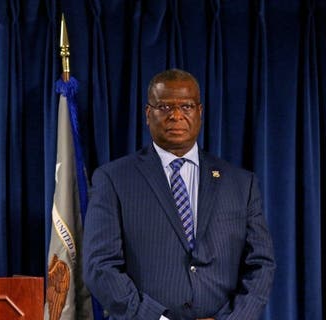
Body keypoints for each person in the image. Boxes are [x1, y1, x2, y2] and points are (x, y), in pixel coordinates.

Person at [82, 69, 275, 319]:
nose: (176, 115)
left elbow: (261, 264)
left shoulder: (240, 183)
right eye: (164, 107)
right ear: (148, 114)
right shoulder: (113, 179)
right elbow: (100, 266)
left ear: (200, 112)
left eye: (186, 106)